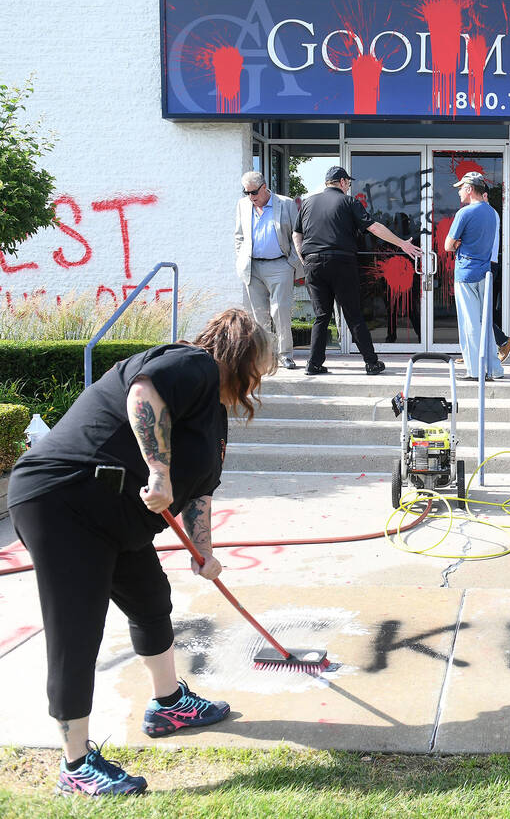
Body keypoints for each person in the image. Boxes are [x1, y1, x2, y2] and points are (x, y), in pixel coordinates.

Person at [7, 309, 273, 797]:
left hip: (113, 515)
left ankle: (169, 702)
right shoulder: (194, 364)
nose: (259, 381)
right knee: (76, 628)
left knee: (152, 599)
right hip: (63, 499)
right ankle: (75, 763)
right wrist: (159, 469)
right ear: (242, 357)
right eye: (261, 368)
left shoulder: (212, 415)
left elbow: (200, 494)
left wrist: (203, 552)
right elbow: (142, 394)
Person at [292, 165, 422, 376]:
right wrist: (402, 244)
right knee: (353, 314)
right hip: (341, 263)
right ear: (342, 182)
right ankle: (371, 363)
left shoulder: (307, 203)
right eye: (348, 183)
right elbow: (374, 227)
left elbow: (296, 234)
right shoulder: (349, 202)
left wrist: (304, 258)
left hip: (313, 264)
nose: (349, 187)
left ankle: (313, 364)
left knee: (321, 316)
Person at [234, 171, 305, 369]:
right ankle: (264, 355)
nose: (251, 197)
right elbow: (239, 236)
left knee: (280, 311)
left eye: (254, 192)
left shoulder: (286, 203)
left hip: (280, 264)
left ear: (264, 187)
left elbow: (297, 233)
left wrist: (291, 262)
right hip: (252, 266)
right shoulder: (243, 205)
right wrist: (241, 259)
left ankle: (285, 354)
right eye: (246, 192)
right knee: (259, 315)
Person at [446, 171, 504, 381]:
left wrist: (459, 243)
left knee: (470, 324)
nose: (459, 192)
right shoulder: (491, 213)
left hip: (466, 273)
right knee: (485, 323)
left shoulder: (464, 213)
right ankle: (495, 369)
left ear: (470, 189)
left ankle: (475, 371)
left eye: (461, 188)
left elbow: (448, 245)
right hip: (485, 272)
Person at [483, 190, 510, 362]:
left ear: (485, 195)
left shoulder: (488, 214)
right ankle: (474, 354)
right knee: (478, 312)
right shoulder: (489, 214)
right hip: (487, 264)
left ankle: (503, 341)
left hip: (486, 264)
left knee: (480, 313)